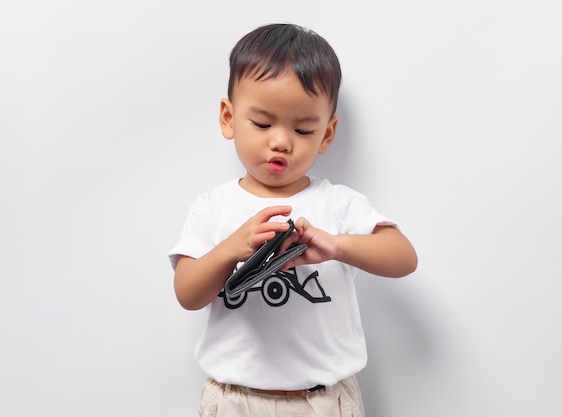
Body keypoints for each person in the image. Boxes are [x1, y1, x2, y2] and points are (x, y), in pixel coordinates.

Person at [169, 23, 418, 417]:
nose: (281, 141)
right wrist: (232, 248)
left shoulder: (337, 202)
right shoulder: (212, 206)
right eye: (263, 124)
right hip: (236, 399)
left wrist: (337, 245)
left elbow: (403, 257)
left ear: (327, 134)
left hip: (323, 400)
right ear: (228, 118)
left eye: (303, 129)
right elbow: (187, 293)